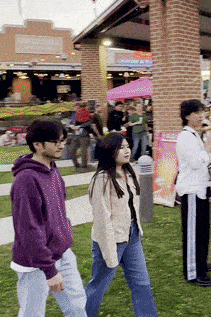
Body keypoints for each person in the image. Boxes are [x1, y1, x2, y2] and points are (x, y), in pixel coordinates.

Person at [10, 119, 87, 317]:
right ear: (37, 145)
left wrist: (64, 236)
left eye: (63, 140)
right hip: (34, 263)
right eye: (56, 141)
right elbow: (29, 229)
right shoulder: (26, 179)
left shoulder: (53, 170)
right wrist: (49, 270)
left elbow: (58, 211)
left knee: (77, 307)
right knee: (32, 314)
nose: (62, 145)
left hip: (63, 253)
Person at [84, 133, 158, 317]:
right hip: (111, 240)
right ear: (110, 152)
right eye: (121, 148)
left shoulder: (128, 172)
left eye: (127, 146)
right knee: (99, 286)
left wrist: (136, 231)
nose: (127, 151)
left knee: (142, 283)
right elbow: (102, 221)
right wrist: (109, 255)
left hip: (131, 237)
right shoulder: (101, 180)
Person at [175, 99, 211, 287]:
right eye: (197, 113)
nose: (202, 116)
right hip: (191, 191)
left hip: (200, 189)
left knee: (202, 231)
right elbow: (195, 163)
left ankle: (200, 262)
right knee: (193, 233)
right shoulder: (185, 137)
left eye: (202, 112)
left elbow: (204, 162)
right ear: (186, 116)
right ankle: (193, 272)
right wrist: (208, 148)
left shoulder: (195, 135)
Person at [70, 102, 93, 170]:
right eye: (76, 107)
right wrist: (71, 126)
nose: (77, 108)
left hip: (84, 135)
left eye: (78, 107)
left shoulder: (87, 114)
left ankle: (84, 166)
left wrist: (80, 126)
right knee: (72, 150)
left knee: (84, 151)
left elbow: (89, 123)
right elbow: (71, 121)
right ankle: (76, 165)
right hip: (76, 135)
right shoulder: (74, 114)